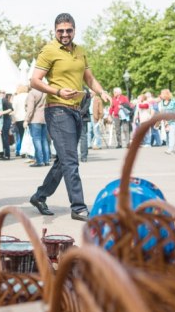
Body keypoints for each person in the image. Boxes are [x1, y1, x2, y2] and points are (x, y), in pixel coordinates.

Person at [28, 13, 112, 222]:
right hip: (57, 109)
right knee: (71, 161)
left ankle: (40, 196)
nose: (64, 34)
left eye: (68, 30)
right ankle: (78, 207)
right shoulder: (48, 50)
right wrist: (57, 91)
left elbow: (89, 78)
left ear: (74, 29)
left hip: (76, 110)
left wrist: (102, 91)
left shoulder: (81, 51)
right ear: (55, 30)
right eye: (60, 31)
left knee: (65, 160)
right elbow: (35, 81)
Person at [24, 86, 49, 167]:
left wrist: (26, 120)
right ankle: (46, 160)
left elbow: (30, 108)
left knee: (36, 140)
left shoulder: (32, 93)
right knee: (44, 140)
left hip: (35, 119)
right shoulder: (45, 92)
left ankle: (39, 161)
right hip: (44, 118)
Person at [158, 89, 175, 154]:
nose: (161, 95)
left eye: (162, 93)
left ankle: (170, 149)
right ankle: (170, 148)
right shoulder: (162, 102)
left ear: (166, 94)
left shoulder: (173, 101)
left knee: (171, 134)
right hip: (166, 121)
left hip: (173, 121)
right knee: (167, 135)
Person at [11, 85, 29, 157]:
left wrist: (14, 119)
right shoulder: (28, 95)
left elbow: (13, 108)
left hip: (19, 118)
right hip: (28, 117)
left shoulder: (16, 97)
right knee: (29, 135)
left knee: (21, 135)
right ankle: (29, 151)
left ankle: (22, 151)